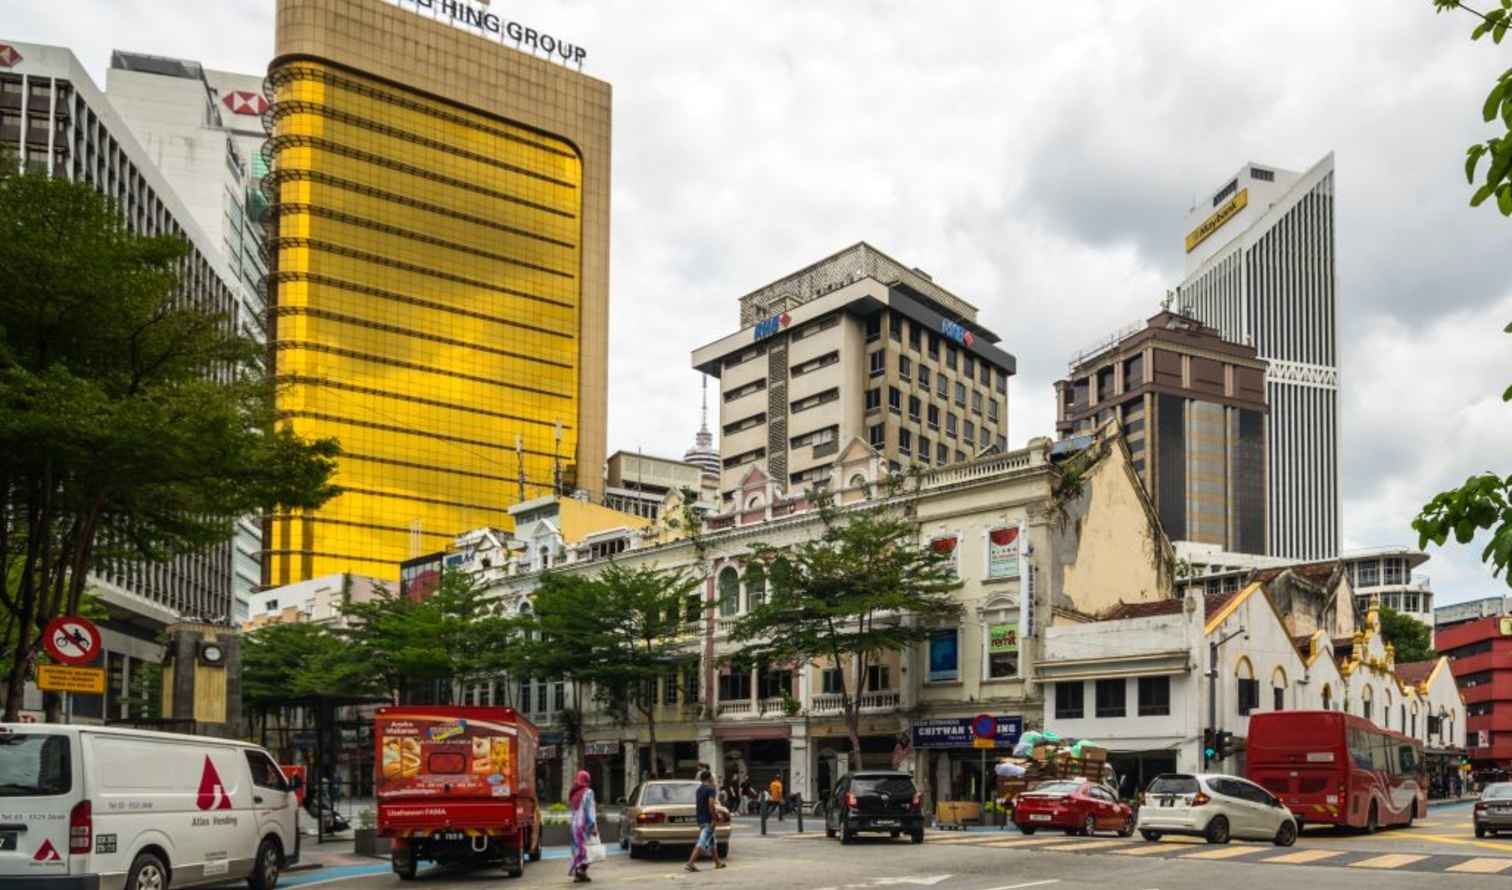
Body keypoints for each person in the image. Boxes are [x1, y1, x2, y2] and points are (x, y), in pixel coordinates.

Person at [685, 770, 724, 872]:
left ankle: (718, 863)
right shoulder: (710, 789)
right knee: (702, 842)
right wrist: (715, 817)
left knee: (712, 841)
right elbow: (711, 805)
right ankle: (690, 863)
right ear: (709, 778)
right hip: (708, 819)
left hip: (701, 818)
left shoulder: (699, 789)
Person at [568, 771, 597, 883]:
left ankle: (579, 874)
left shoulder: (573, 793)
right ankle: (581, 871)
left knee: (577, 850)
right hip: (584, 826)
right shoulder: (588, 792)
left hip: (574, 827)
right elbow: (590, 810)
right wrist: (593, 825)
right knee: (589, 850)